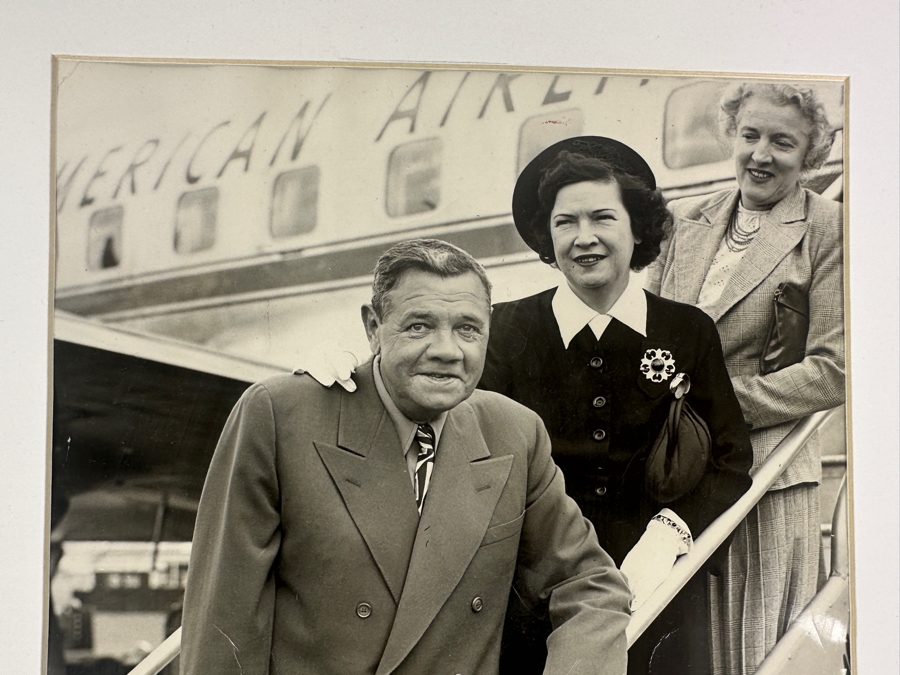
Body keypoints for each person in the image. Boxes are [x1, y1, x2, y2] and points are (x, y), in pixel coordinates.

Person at [180, 238, 633, 675]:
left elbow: (588, 583)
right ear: (373, 327)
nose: (447, 350)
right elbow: (225, 617)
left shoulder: (514, 430)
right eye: (419, 325)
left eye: (468, 329)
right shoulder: (281, 414)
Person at [481, 137, 753, 675]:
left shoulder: (686, 329)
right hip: (534, 590)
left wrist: (669, 535)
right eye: (565, 222)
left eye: (603, 217)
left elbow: (730, 459)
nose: (584, 239)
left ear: (637, 228)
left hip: (659, 584)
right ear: (546, 235)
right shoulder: (504, 327)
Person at [646, 82, 845, 675]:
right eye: (750, 135)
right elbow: (649, 340)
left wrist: (720, 403)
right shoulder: (688, 221)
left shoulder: (827, 226)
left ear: (809, 156)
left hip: (767, 472)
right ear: (731, 135)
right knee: (682, 650)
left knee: (754, 650)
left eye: (783, 142)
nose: (761, 154)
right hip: (677, 471)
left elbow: (834, 371)